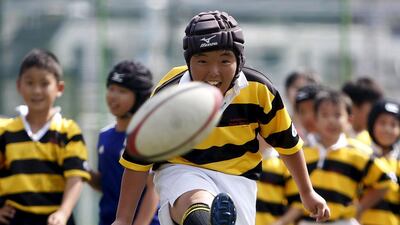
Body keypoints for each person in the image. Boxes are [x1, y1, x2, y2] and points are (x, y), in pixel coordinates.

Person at [112, 11, 330, 225]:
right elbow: (137, 158)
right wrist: (123, 219)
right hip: (182, 169)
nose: (213, 72)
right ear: (189, 61)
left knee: (218, 214)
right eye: (202, 61)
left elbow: (288, 145)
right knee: (196, 200)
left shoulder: (260, 91)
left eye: (225, 61)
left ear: (239, 60)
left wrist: (307, 192)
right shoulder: (169, 94)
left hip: (239, 178)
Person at [0, 48, 90, 225]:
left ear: (59, 88)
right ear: (19, 86)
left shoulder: (68, 131)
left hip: (55, 220)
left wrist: (63, 213)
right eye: (30, 83)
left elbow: (75, 177)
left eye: (44, 83)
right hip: (13, 219)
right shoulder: (5, 131)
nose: (37, 91)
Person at [285, 89, 396, 225]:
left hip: (343, 221)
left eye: (337, 115)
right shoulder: (302, 151)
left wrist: (359, 208)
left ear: (349, 119)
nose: (331, 121)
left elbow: (386, 181)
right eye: (325, 115)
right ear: (315, 119)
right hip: (307, 222)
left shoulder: (358, 152)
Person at [88, 60, 160, 225]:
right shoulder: (104, 135)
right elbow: (105, 184)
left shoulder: (145, 137)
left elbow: (153, 188)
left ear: (140, 97)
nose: (113, 95)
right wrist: (83, 172)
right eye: (111, 89)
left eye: (122, 91)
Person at [360, 99, 400, 225]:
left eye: (393, 125)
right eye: (382, 123)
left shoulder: (398, 162)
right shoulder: (361, 156)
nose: (387, 129)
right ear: (372, 124)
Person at [342, 77, 384, 146]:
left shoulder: (377, 141)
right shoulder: (334, 137)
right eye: (373, 106)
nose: (376, 113)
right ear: (353, 106)